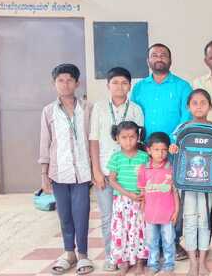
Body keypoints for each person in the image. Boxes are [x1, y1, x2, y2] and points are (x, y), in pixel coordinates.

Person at [131, 43, 193, 259]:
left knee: (174, 196)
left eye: (163, 55)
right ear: (148, 60)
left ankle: (174, 242)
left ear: (170, 59)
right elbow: (134, 117)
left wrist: (173, 142)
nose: (159, 58)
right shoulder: (138, 88)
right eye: (154, 55)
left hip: (174, 151)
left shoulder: (183, 86)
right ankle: (149, 244)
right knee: (148, 196)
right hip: (146, 153)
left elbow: (187, 117)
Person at [39, 63, 94, 275]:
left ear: (77, 83)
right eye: (60, 80)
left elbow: (93, 140)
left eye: (69, 80)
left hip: (82, 172)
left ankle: (83, 255)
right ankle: (68, 253)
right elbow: (45, 144)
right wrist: (44, 175)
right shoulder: (48, 111)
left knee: (82, 213)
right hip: (58, 172)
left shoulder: (88, 108)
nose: (65, 84)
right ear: (54, 84)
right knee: (64, 215)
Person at [89, 67, 144, 271]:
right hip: (105, 170)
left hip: (129, 174)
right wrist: (96, 170)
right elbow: (93, 140)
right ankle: (113, 256)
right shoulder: (99, 108)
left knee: (132, 218)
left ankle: (132, 255)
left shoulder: (136, 109)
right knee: (108, 216)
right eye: (115, 82)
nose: (119, 86)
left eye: (124, 82)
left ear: (130, 86)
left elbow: (140, 141)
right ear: (108, 86)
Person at [169, 89, 212, 275]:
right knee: (189, 221)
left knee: (204, 221)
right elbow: (173, 152)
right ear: (188, 106)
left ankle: (202, 261)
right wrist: (173, 149)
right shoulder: (181, 129)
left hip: (207, 184)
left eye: (203, 102)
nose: (199, 106)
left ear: (210, 106)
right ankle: (192, 261)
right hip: (187, 184)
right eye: (195, 102)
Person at [107, 121, 150, 275]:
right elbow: (112, 180)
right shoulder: (116, 158)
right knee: (121, 231)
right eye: (124, 137)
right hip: (121, 202)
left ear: (138, 137)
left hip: (140, 201)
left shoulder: (144, 157)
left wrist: (143, 195)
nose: (128, 141)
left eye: (132, 137)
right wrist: (128, 194)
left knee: (139, 230)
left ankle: (139, 262)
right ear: (117, 138)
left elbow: (149, 177)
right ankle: (124, 262)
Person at [137, 132, 179, 275]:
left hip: (168, 214)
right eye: (156, 150)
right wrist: (142, 212)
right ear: (148, 150)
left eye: (164, 150)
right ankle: (153, 264)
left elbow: (175, 192)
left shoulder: (171, 168)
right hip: (150, 215)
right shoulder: (144, 169)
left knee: (168, 240)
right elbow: (142, 193)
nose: (160, 153)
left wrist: (176, 211)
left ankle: (168, 264)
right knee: (152, 241)